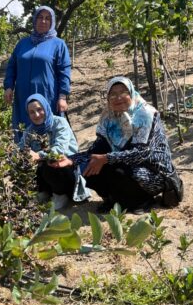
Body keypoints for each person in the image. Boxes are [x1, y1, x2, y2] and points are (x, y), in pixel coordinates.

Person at [57, 76, 182, 213]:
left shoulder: (145, 114)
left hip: (153, 172)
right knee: (89, 165)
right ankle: (112, 199)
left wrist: (106, 159)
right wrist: (72, 159)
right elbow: (98, 148)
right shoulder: (109, 116)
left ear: (131, 93)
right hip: (123, 163)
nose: (118, 98)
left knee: (120, 170)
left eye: (123, 92)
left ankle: (142, 201)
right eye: (113, 94)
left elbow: (141, 154)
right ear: (108, 98)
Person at [4, 5, 71, 144]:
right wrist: (8, 86)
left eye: (47, 18)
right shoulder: (22, 43)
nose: (43, 21)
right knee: (23, 128)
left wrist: (63, 96)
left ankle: (48, 159)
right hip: (23, 96)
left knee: (45, 128)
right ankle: (25, 160)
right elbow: (12, 66)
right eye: (40, 17)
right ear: (34, 20)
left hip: (47, 96)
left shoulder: (58, 44)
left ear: (52, 22)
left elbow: (64, 71)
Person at [20, 94, 90, 210]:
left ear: (46, 108)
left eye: (39, 109)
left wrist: (38, 155)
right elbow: (22, 147)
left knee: (52, 161)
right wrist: (25, 153)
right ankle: (43, 192)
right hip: (45, 175)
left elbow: (59, 149)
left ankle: (60, 195)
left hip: (66, 171)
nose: (36, 115)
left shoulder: (60, 123)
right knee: (24, 162)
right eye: (32, 112)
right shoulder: (29, 131)